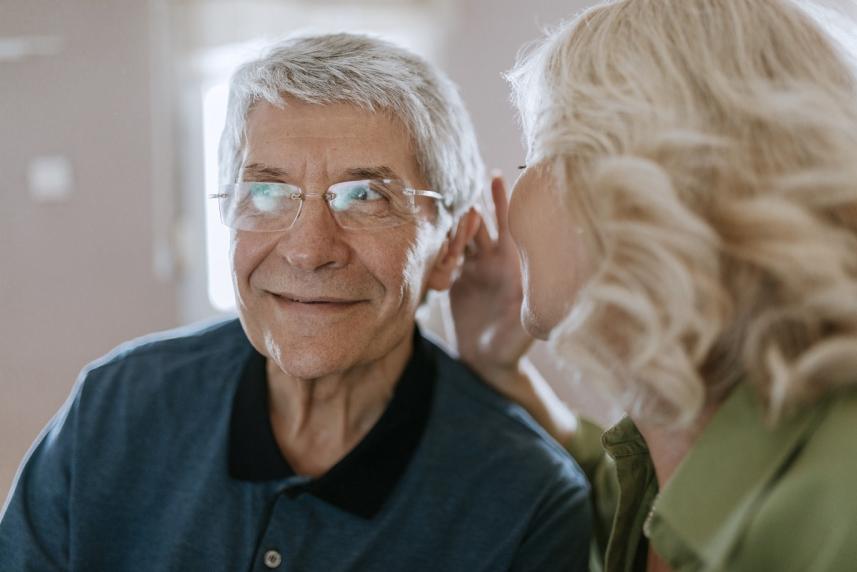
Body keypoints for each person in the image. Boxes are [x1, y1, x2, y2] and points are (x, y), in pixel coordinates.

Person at [0, 33, 592, 571]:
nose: (309, 251)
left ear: (449, 248)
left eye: (365, 195)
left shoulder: (527, 500)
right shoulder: (116, 405)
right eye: (267, 190)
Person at [450, 1, 857, 571]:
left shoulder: (842, 506)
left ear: (654, 176)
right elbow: (624, 502)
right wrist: (501, 370)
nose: (516, 198)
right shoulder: (677, 441)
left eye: (538, 154)